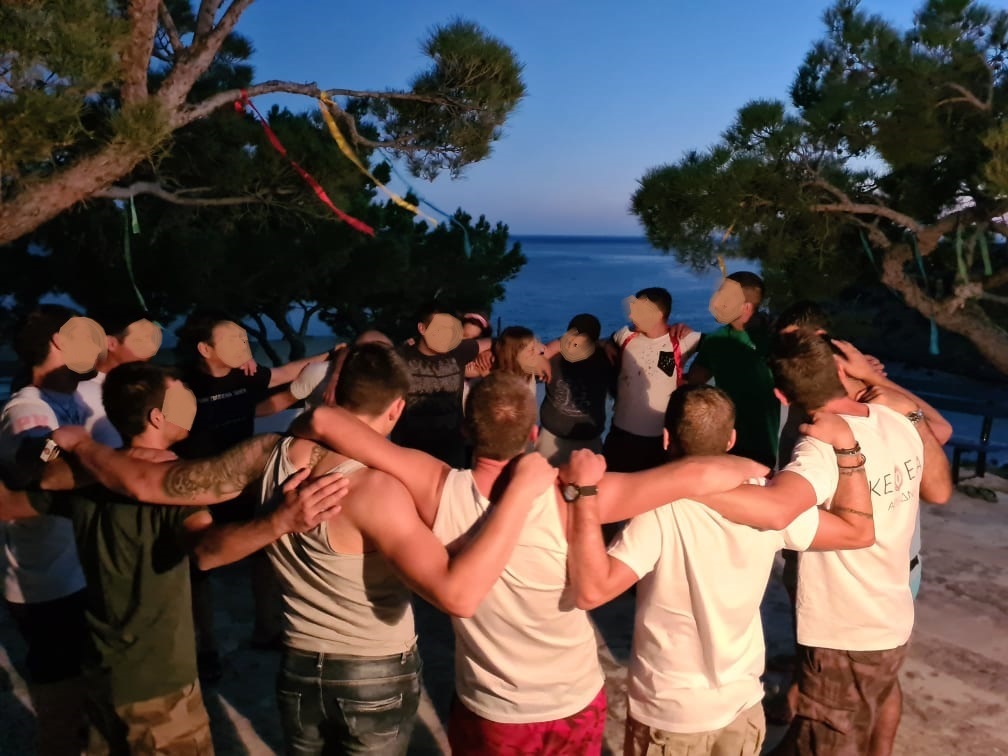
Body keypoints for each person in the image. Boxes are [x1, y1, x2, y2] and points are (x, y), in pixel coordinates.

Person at [291, 371, 769, 755]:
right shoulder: (573, 495)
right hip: (573, 702)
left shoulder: (435, 487)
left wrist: (293, 443)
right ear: (534, 434)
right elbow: (693, 476)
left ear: (466, 429)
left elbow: (327, 420)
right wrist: (751, 468)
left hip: (491, 710)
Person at [2, 361, 347, 754]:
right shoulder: (172, 485)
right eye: (182, 400)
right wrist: (280, 522)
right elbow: (207, 551)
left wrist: (43, 456)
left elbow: (10, 503)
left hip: (99, 668)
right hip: (158, 682)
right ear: (156, 417)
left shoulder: (86, 478)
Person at [261, 343, 558, 754]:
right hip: (376, 669)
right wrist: (524, 491)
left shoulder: (277, 460)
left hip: (298, 661)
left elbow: (322, 419)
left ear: (465, 429)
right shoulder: (388, 488)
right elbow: (459, 596)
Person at [565, 385, 875, 756]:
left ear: (667, 438)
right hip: (742, 704)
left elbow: (593, 590)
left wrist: (583, 494)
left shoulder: (658, 509)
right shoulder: (767, 500)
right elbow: (858, 531)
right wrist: (849, 455)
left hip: (672, 711)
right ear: (731, 440)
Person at [692, 328, 952, 755]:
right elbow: (939, 490)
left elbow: (777, 509)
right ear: (840, 371)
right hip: (892, 615)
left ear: (781, 395)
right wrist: (882, 385)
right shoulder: (895, 419)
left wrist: (685, 481)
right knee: (847, 728)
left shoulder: (818, 448)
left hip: (845, 630)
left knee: (826, 743)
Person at [174, 310, 331, 676]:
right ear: (205, 349)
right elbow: (168, 435)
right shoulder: (182, 386)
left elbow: (285, 374)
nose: (242, 344)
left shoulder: (244, 374)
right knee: (198, 568)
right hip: (197, 486)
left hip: (243, 482)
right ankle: (206, 645)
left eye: (243, 338)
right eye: (232, 339)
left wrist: (331, 355)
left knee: (262, 552)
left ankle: (266, 628)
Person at [0, 304, 116, 755]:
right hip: (50, 585)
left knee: (98, 701)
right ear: (59, 343)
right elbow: (35, 462)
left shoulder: (84, 392)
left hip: (89, 570)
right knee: (63, 710)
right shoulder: (25, 408)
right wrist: (55, 445)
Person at [688, 271, 780, 468]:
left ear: (746, 306)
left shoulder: (774, 338)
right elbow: (693, 379)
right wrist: (676, 341)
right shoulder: (715, 340)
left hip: (762, 443)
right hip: (723, 441)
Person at [604, 287, 700, 472]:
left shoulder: (681, 341)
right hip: (621, 435)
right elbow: (605, 341)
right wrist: (607, 344)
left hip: (660, 439)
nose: (631, 316)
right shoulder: (625, 336)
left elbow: (717, 344)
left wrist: (695, 378)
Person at [392, 304, 492, 467]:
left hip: (451, 455)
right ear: (422, 328)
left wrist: (486, 354)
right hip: (409, 454)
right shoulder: (399, 358)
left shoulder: (458, 351)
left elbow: (495, 342)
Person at [536, 314, 615, 465]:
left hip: (583, 439)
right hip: (555, 436)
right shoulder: (552, 357)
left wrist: (605, 344)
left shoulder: (605, 359)